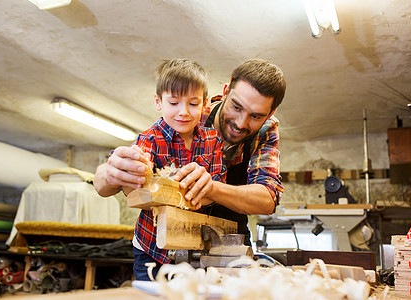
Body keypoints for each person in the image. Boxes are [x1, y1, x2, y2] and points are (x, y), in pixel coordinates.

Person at [94, 58, 286, 256]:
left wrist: (211, 187)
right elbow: (120, 175)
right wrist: (110, 172)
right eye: (236, 107)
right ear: (226, 92)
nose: (240, 122)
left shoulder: (266, 129)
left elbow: (268, 199)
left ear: (270, 113)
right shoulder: (191, 113)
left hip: (229, 237)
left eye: (255, 116)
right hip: (173, 239)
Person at [105, 58, 226, 280]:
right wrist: (139, 171)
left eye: (193, 103)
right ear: (158, 102)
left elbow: (216, 191)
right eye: (174, 103)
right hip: (151, 247)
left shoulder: (213, 139)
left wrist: (201, 190)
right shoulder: (149, 139)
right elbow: (134, 190)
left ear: (205, 103)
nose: (184, 112)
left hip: (193, 244)